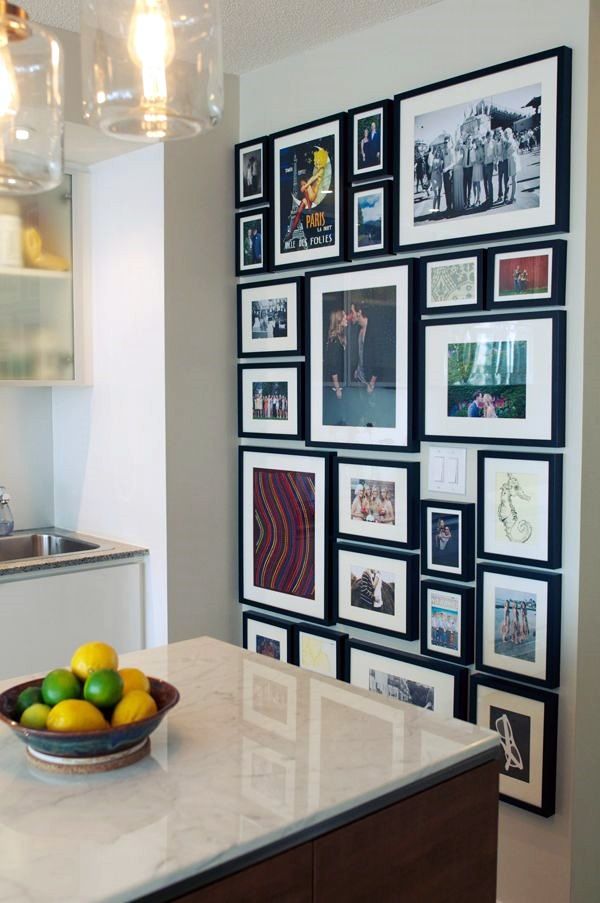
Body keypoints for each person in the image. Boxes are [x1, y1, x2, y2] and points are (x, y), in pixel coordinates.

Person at [324, 310, 347, 400]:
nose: (346, 319)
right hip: (336, 386)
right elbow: (333, 365)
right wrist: (337, 388)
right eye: (344, 317)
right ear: (339, 320)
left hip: (340, 382)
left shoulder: (340, 336)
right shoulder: (334, 340)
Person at [504, 128, 519, 204]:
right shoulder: (511, 140)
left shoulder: (510, 141)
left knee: (514, 179)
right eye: (505, 133)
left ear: (510, 133)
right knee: (513, 179)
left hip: (513, 160)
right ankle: (514, 196)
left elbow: (506, 151)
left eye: (507, 133)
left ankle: (512, 198)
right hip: (512, 159)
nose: (505, 134)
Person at [494, 127, 507, 204]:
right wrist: (495, 163)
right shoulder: (496, 142)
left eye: (500, 133)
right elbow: (496, 154)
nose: (499, 134)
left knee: (506, 180)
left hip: (505, 161)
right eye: (498, 133)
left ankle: (506, 196)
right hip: (500, 163)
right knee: (500, 180)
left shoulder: (505, 140)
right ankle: (500, 195)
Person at [442, 137, 454, 214]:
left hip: (449, 171)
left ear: (449, 143)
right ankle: (448, 206)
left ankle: (452, 207)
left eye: (447, 142)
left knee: (450, 190)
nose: (446, 144)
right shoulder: (444, 151)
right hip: (444, 173)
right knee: (446, 190)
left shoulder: (451, 151)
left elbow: (453, 163)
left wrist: (447, 169)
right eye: (445, 143)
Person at [453, 140, 465, 213]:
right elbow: (454, 161)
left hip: (461, 169)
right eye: (459, 143)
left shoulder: (462, 151)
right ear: (457, 144)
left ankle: (461, 205)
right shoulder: (455, 151)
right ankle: (456, 206)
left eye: (461, 143)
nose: (460, 145)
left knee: (461, 187)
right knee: (456, 187)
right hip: (456, 169)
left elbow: (463, 160)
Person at [483, 131, 495, 205]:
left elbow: (494, 154)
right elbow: (484, 153)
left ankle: (491, 199)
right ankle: (487, 197)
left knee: (490, 182)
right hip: (485, 164)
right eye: (489, 136)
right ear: (487, 136)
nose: (490, 137)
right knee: (485, 182)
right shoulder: (484, 143)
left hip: (490, 164)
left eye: (491, 136)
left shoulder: (493, 143)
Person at [430, 148, 443, 213]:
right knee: (436, 194)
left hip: (439, 177)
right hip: (434, 176)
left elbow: (441, 170)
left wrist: (440, 169)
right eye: (437, 152)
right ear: (435, 153)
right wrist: (435, 169)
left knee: (439, 194)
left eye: (439, 152)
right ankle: (433, 209)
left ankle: (438, 209)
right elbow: (430, 170)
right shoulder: (432, 159)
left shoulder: (441, 160)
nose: (438, 153)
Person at [472, 137, 484, 207]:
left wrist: (477, 161)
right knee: (474, 184)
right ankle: (474, 198)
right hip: (474, 167)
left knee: (478, 184)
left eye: (478, 141)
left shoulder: (481, 149)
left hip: (478, 167)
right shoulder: (475, 149)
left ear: (480, 142)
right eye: (476, 141)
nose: (477, 142)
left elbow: (482, 160)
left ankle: (478, 199)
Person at [463, 138, 474, 208]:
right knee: (464, 186)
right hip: (464, 168)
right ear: (466, 141)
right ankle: (465, 202)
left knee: (470, 186)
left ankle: (469, 202)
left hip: (470, 168)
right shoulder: (464, 147)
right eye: (468, 139)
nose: (469, 141)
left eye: (470, 139)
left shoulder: (473, 147)